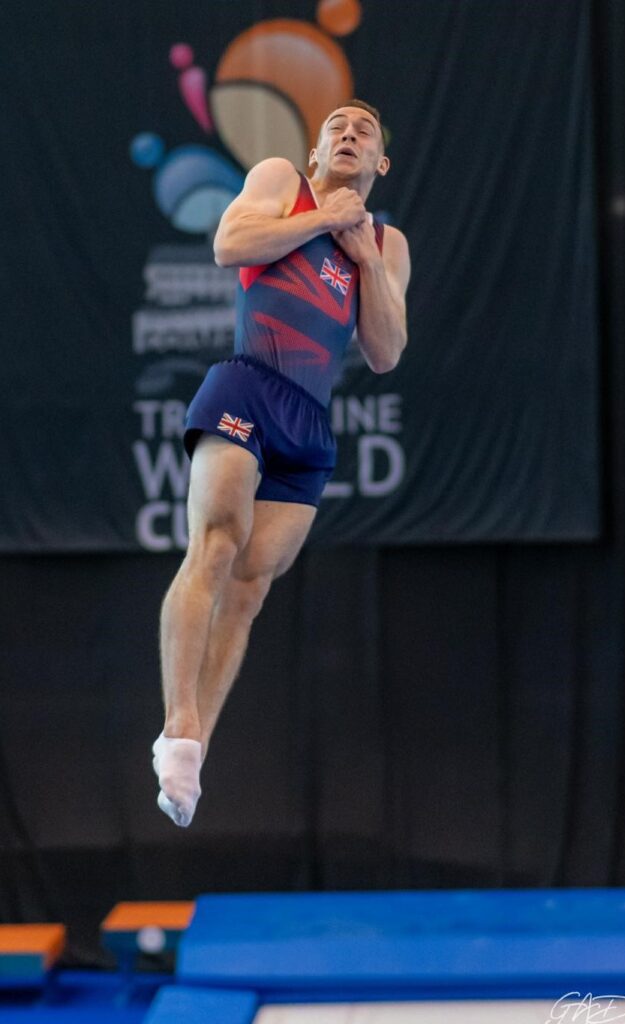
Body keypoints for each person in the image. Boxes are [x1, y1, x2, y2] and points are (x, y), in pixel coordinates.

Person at [152, 100, 411, 826]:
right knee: (216, 544)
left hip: (309, 423)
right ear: (317, 153)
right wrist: (324, 219)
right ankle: (178, 731)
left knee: (251, 584)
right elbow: (229, 244)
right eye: (337, 127)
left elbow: (387, 352)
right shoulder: (280, 182)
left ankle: (196, 742)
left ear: (379, 165)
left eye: (366, 130)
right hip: (247, 384)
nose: (351, 133)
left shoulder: (386, 242)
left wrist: (362, 255)